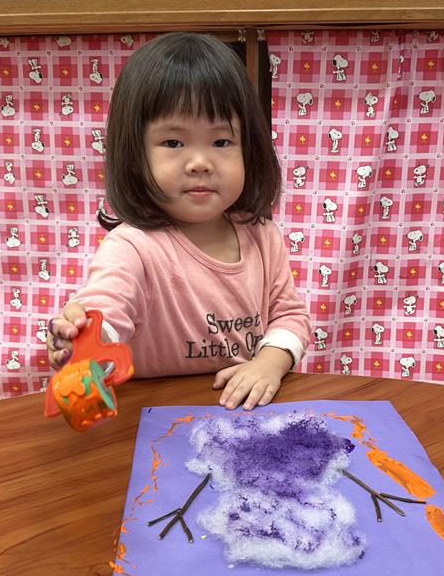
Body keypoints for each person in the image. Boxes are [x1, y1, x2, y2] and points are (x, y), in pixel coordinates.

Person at [46, 32, 311, 411]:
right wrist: (84, 338)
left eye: (221, 142)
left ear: (249, 149)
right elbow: (106, 306)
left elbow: (289, 315)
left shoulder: (262, 235)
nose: (200, 162)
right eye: (173, 143)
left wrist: (269, 363)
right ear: (135, 154)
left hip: (242, 415)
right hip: (153, 418)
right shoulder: (132, 246)